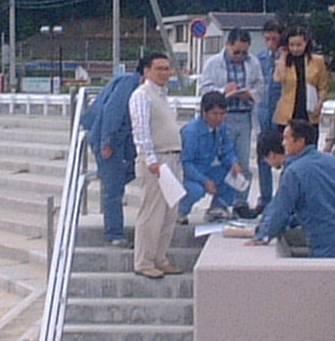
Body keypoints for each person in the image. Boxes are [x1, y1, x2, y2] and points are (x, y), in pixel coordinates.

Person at [250, 119, 335, 258]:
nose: (283, 143)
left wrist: (263, 235)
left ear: (300, 141)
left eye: (286, 138)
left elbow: (281, 209)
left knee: (324, 279)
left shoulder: (294, 172)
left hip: (324, 238)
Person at [128, 52, 184, 279]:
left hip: (172, 157)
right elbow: (141, 130)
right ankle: (144, 261)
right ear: (147, 71)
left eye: (167, 69)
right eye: (159, 68)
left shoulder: (162, 95)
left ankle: (160, 258)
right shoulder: (142, 95)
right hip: (156, 160)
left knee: (170, 213)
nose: (164, 73)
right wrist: (151, 159)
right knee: (152, 213)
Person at [198, 28, 263, 217]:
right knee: (222, 161)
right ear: (227, 46)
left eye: (244, 52)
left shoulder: (253, 63)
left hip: (244, 116)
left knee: (242, 163)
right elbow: (204, 89)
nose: (240, 56)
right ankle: (219, 204)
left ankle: (240, 202)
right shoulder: (213, 63)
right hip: (221, 118)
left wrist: (248, 94)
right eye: (237, 52)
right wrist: (223, 91)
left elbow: (260, 86)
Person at [81, 67, 140, 245]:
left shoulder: (141, 86)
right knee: (113, 189)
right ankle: (114, 234)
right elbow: (112, 111)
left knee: (126, 175)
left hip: (123, 140)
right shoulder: (129, 83)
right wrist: (107, 141)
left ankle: (112, 181)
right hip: (108, 139)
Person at [179, 91, 244, 222]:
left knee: (234, 178)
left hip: (209, 168)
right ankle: (180, 211)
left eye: (222, 114)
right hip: (191, 173)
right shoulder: (191, 132)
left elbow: (227, 149)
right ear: (204, 112)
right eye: (214, 114)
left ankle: (218, 208)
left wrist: (234, 163)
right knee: (196, 190)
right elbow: (185, 163)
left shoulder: (222, 128)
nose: (219, 118)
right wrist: (204, 181)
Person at [254, 18, 284, 215]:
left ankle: (283, 198)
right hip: (264, 113)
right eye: (267, 39)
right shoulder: (259, 59)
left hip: (282, 113)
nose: (270, 42)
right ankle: (265, 198)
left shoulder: (287, 57)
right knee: (263, 156)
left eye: (274, 38)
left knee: (285, 156)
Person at [273, 26, 329, 127]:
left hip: (309, 111)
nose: (295, 49)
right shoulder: (284, 61)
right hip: (288, 113)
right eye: (292, 45)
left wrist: (320, 103)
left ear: (306, 43)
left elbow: (323, 86)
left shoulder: (318, 61)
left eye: (299, 45)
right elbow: (278, 78)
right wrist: (283, 56)